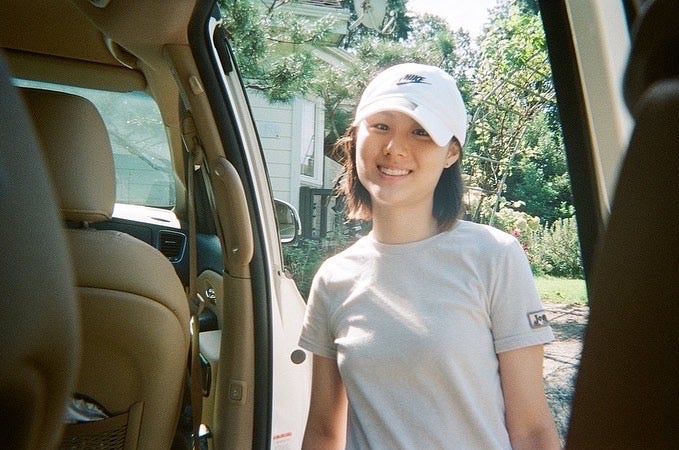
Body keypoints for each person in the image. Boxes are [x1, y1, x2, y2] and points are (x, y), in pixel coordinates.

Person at [298, 63, 560, 449]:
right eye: (381, 126)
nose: (395, 148)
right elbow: (323, 431)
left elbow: (532, 430)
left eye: (420, 132)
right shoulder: (333, 278)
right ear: (355, 139)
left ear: (451, 152)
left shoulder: (494, 257)